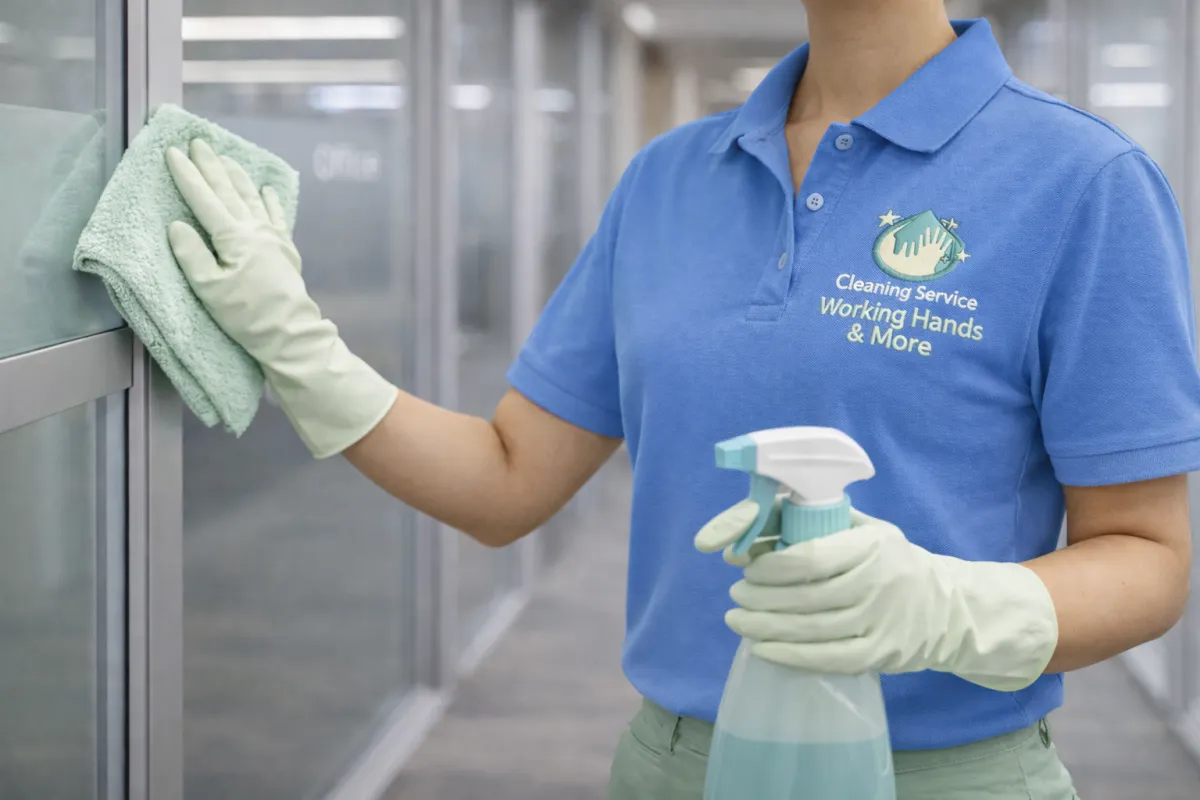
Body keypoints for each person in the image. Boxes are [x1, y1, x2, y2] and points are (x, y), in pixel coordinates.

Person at [161, 1, 1198, 797]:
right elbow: (505, 480)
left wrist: (949, 608)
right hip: (675, 762)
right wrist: (298, 345)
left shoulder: (1083, 182)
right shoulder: (667, 181)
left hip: (940, 770)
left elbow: (1150, 557)